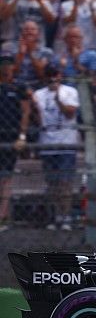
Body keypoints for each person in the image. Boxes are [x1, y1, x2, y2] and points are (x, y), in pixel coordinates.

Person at [32, 64, 79, 230]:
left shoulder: (70, 92)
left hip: (66, 141)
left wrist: (58, 98)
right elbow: (37, 118)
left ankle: (65, 216)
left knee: (65, 182)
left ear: (60, 75)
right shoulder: (39, 94)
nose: (53, 78)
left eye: (56, 74)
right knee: (52, 182)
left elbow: (70, 113)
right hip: (47, 141)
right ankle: (55, 215)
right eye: (50, 74)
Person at [0, 52, 31, 229]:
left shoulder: (19, 87)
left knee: (6, 177)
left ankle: (2, 216)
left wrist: (22, 135)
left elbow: (25, 112)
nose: (5, 67)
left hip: (11, 136)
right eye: (2, 64)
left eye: (8, 64)